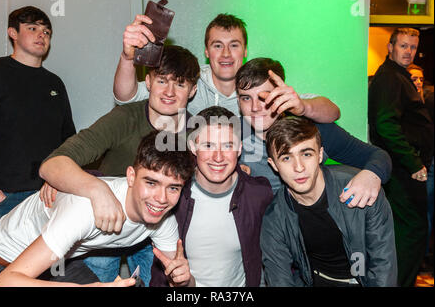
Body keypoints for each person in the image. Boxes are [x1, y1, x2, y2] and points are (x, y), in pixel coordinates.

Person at [38, 45, 200, 285]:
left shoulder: (199, 131)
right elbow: (54, 163)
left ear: (193, 90)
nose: (169, 91)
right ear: (148, 81)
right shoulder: (125, 118)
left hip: (160, 229)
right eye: (162, 80)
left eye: (180, 84)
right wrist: (82, 185)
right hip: (106, 226)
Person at [0, 131, 196, 287]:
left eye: (173, 188)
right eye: (151, 183)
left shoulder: (163, 218)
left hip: (61, 263)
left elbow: (178, 279)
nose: (161, 199)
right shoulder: (84, 210)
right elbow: (3, 283)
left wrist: (185, 280)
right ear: (131, 176)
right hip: (3, 263)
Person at [113, 13, 340, 121]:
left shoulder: (259, 85)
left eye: (234, 45)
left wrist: (303, 107)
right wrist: (126, 56)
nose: (225, 54)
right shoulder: (188, 81)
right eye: (217, 45)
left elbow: (333, 111)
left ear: (245, 51)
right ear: (206, 51)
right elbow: (125, 96)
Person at [260, 116, 397, 287]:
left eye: (306, 154)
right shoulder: (274, 218)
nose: (299, 167)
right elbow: (279, 279)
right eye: (286, 158)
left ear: (319, 155)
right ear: (273, 165)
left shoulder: (362, 190)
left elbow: (383, 265)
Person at [237, 58, 392, 208]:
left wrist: (371, 175)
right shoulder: (231, 136)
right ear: (237, 101)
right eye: (246, 98)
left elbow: (378, 156)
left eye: (264, 97)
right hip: (262, 229)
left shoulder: (309, 131)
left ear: (280, 95)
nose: (255, 107)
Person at [150, 106, 273, 286]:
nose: (218, 157)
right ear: (193, 147)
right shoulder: (172, 195)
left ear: (239, 148)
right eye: (208, 145)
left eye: (227, 146)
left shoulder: (258, 194)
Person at [0, 6, 76, 233]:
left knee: (45, 269)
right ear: (13, 33)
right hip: (1, 198)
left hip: (48, 197)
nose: (41, 35)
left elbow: (69, 140)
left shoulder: (54, 83)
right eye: (32, 28)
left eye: (46, 32)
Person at [368, 27, 434, 286]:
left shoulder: (397, 75)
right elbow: (385, 125)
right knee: (412, 232)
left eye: (413, 47)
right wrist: (413, 162)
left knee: (407, 232)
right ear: (390, 47)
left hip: (403, 168)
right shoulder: (391, 78)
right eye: (403, 46)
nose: (408, 52)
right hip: (403, 170)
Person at [407, 63, 434, 275]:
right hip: (417, 165)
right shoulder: (403, 104)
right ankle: (420, 255)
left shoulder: (429, 102)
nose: (417, 82)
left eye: (420, 79)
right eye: (413, 78)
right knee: (422, 210)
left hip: (431, 161)